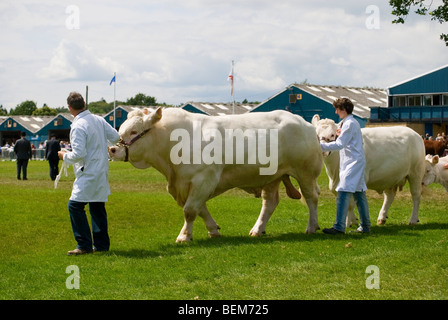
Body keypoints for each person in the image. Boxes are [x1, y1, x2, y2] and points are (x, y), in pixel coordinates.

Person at [58, 92, 120, 255]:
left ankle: (84, 245)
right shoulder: (99, 120)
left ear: (70, 108)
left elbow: (78, 153)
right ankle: (101, 245)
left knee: (75, 206)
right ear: (84, 104)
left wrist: (64, 156)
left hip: (88, 170)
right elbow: (116, 137)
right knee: (97, 206)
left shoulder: (78, 125)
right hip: (101, 169)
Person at [320, 98, 371, 234]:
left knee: (343, 191)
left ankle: (338, 226)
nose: (336, 112)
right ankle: (366, 226)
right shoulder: (347, 123)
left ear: (344, 110)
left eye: (337, 109)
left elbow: (340, 144)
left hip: (353, 163)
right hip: (353, 161)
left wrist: (319, 146)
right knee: (359, 195)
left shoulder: (349, 124)